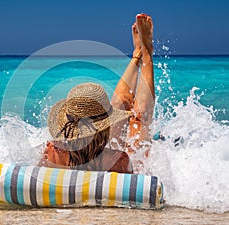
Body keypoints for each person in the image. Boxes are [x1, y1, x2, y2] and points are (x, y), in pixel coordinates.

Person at [38, 13, 154, 173]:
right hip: (105, 161)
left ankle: (137, 55)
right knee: (139, 118)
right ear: (106, 128)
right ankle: (146, 53)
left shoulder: (52, 152)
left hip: (95, 155)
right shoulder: (118, 160)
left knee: (120, 106)